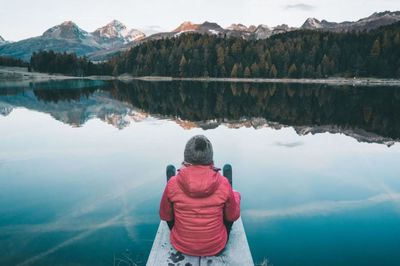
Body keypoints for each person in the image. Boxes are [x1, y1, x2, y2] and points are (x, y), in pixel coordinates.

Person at [159, 135, 241, 257]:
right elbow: (232, 216)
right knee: (232, 200)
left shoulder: (172, 184)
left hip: (181, 245)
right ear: (211, 160)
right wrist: (236, 196)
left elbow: (164, 215)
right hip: (216, 246)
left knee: (171, 207)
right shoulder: (223, 183)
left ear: (185, 160)